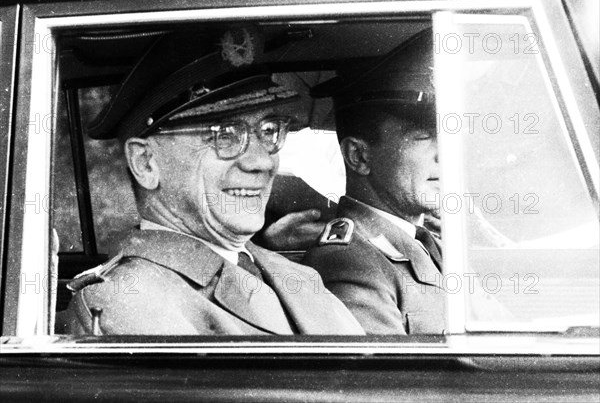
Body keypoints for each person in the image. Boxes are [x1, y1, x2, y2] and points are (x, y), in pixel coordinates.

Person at [61, 28, 364, 336]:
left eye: (269, 130)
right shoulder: (127, 300)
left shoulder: (294, 274)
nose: (261, 162)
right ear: (146, 163)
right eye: (226, 135)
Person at [301, 29, 446, 335]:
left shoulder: (434, 244)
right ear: (359, 157)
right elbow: (389, 382)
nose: (444, 154)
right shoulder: (348, 263)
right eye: (422, 136)